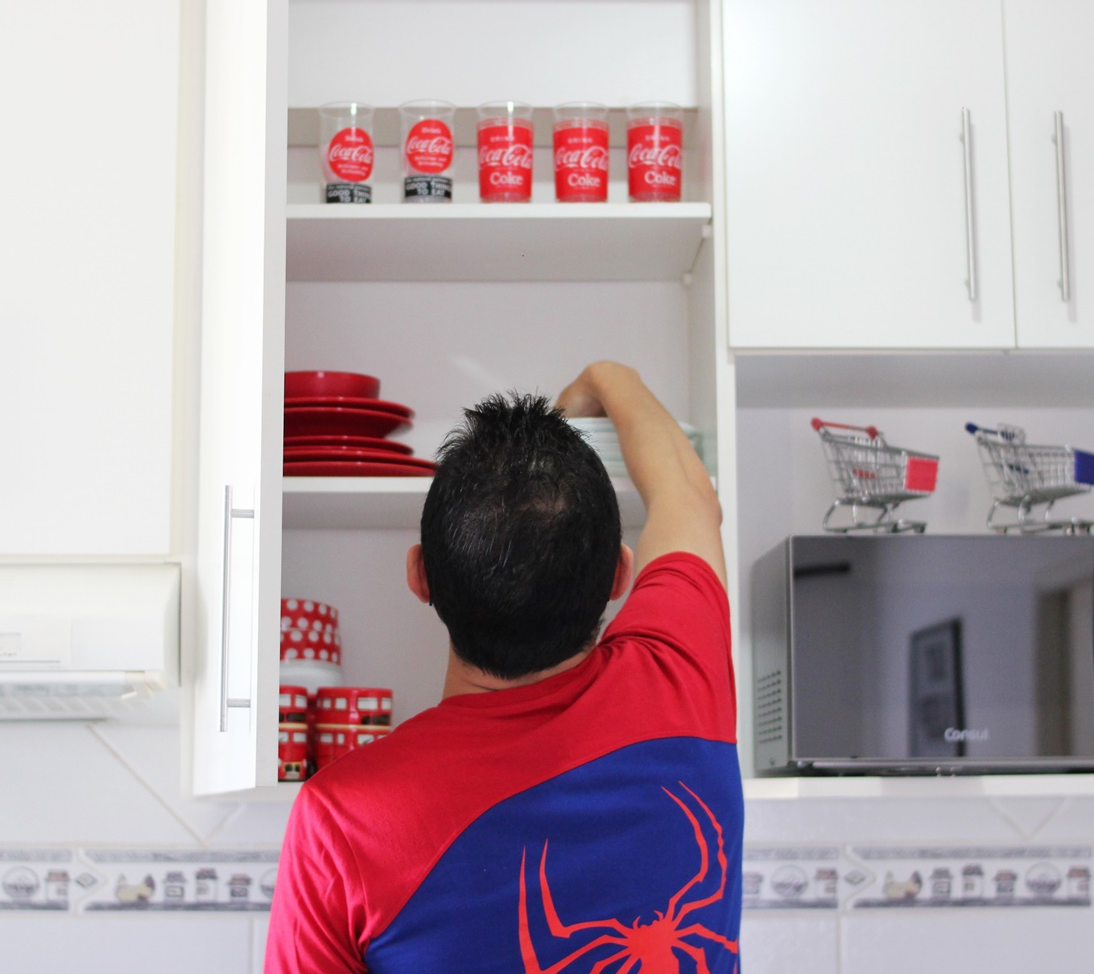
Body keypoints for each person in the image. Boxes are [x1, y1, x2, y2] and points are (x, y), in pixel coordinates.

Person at [266, 361, 742, 973]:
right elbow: (688, 495)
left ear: (420, 576)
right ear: (621, 576)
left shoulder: (342, 816)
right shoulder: (681, 676)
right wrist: (605, 378)